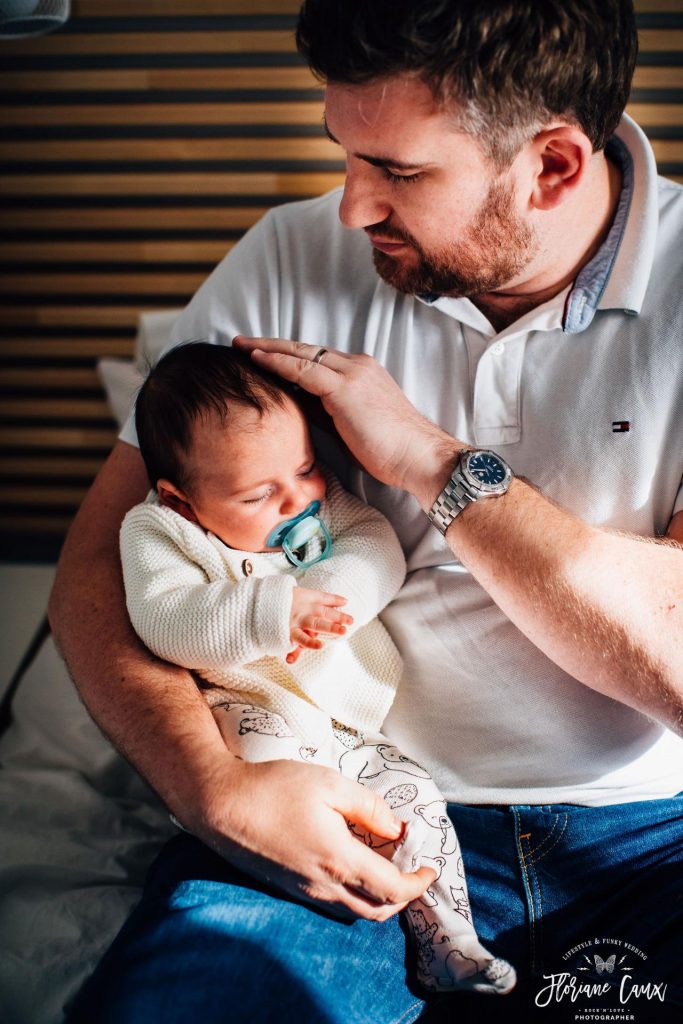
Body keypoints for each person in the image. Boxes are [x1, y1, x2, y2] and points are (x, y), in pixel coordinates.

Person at [52, 1, 683, 1021]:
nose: (349, 208)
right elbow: (99, 564)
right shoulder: (284, 258)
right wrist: (214, 785)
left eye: (397, 171)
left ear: (552, 168)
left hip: (650, 840)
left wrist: (432, 464)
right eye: (345, 153)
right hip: (324, 795)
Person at [120, 340, 516, 996]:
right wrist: (273, 612)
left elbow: (375, 547)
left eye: (303, 468)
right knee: (275, 753)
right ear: (182, 501)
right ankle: (330, 885)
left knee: (416, 800)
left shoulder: (318, 501)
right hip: (249, 716)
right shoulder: (160, 532)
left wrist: (333, 598)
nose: (295, 499)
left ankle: (446, 941)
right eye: (257, 494)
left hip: (353, 730)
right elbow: (166, 619)